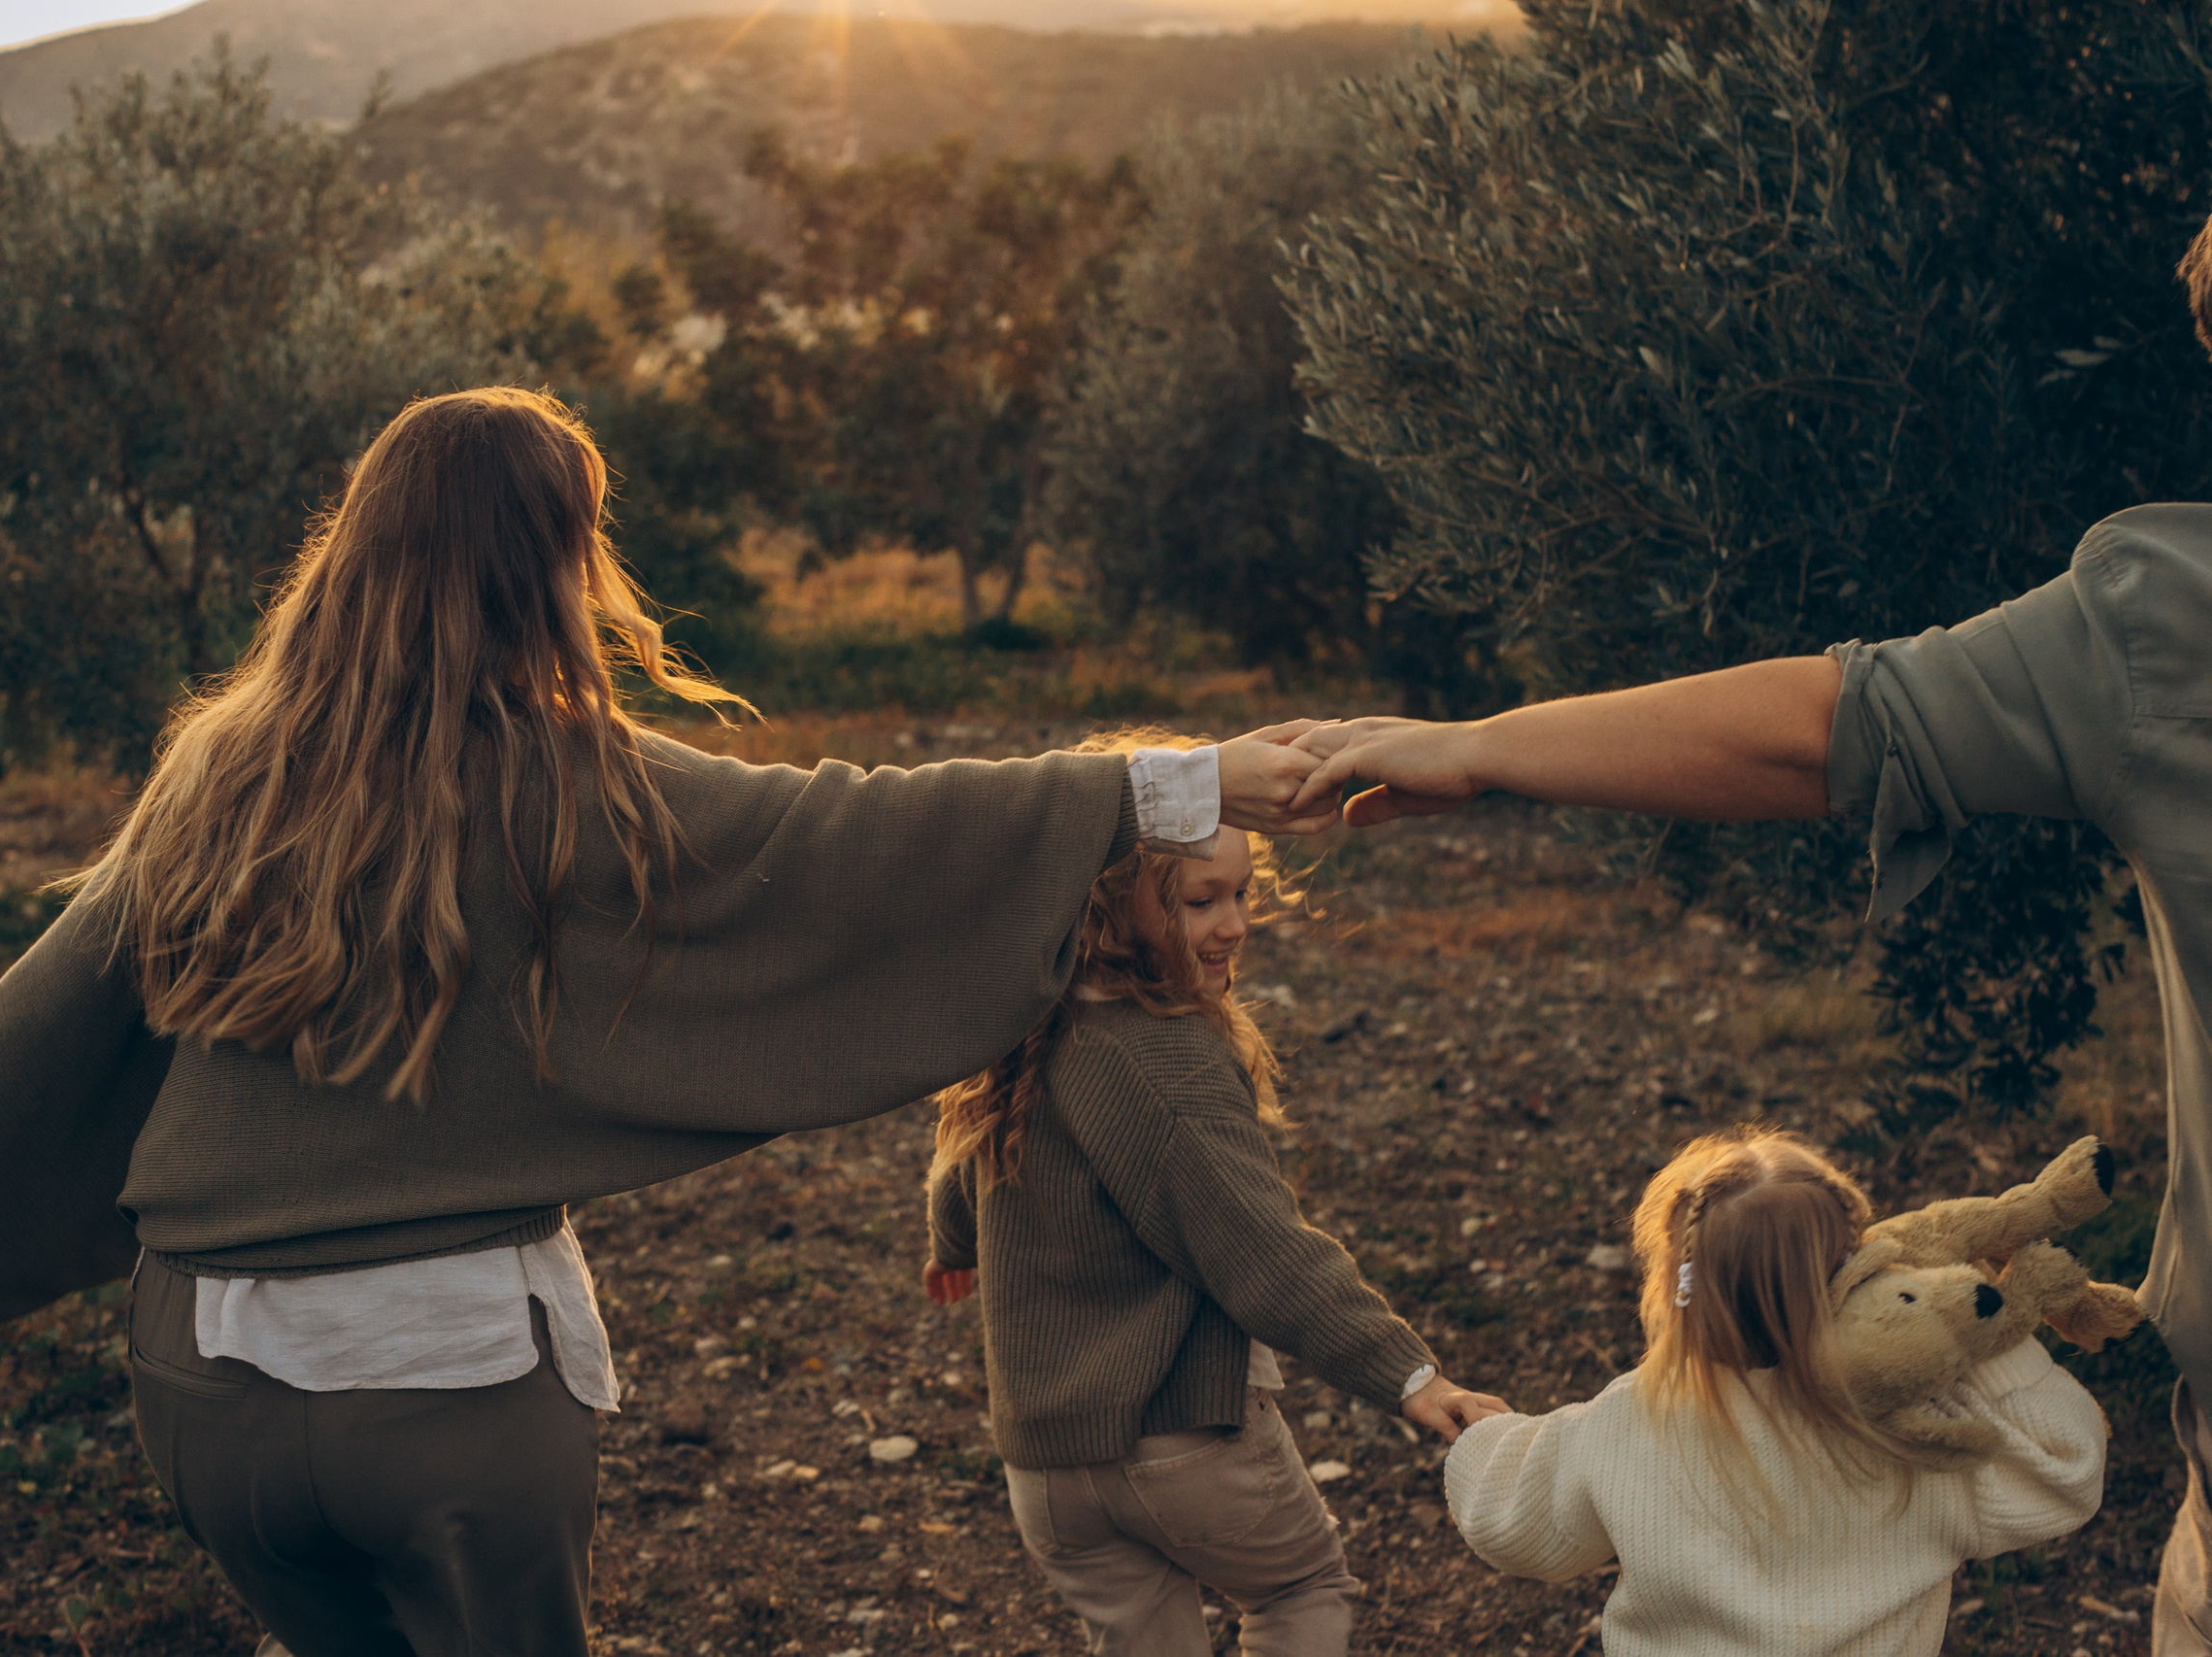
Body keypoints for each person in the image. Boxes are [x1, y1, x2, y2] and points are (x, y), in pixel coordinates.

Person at [0, 389, 1341, 1657]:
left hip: (203, 1387)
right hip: (450, 1391)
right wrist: (1180, 781)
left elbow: (51, 1011)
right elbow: (846, 836)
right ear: (550, 565)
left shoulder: (221, 771)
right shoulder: (562, 777)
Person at [1286, 219, 2212, 1654]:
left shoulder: (2177, 630)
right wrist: (1991, 1330)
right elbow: (2058, 1471)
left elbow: (1832, 729)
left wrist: (1478, 747)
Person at [922, 727, 1508, 1657]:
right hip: (1180, 1440)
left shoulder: (1022, 1029)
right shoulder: (1165, 1061)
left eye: (1241, 893)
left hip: (1047, 1469)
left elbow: (966, 1166)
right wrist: (1408, 1374)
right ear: (1109, 910)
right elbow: (1261, 1249)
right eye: (1201, 900)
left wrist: (952, 1246)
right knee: (1301, 1591)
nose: (1235, 922)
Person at [1444, 1127, 2106, 1656]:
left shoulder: (1628, 1420)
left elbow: (1513, 1525)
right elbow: (2068, 1467)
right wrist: (1973, 1342)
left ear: (1680, 1291)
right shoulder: (1920, 1435)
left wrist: (1481, 1439)